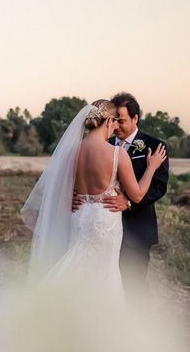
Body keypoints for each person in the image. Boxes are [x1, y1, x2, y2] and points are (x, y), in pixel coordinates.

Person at [21, 100, 167, 305]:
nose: (116, 126)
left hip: (80, 219)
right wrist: (151, 167)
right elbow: (137, 195)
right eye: (115, 121)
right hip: (104, 223)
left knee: (77, 267)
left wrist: (70, 197)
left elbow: (60, 187)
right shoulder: (117, 154)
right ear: (107, 120)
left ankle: (59, 310)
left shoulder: (74, 151)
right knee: (103, 276)